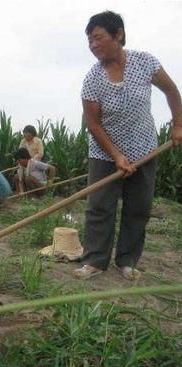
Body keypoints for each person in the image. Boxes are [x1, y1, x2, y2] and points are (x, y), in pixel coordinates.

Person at [73, 11, 182, 280]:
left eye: (98, 38)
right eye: (89, 41)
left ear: (118, 34)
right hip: (104, 152)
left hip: (145, 148)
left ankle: (128, 260)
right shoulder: (92, 79)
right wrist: (117, 156)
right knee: (100, 206)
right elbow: (94, 125)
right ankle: (95, 261)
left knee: (139, 207)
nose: (93, 45)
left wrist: (178, 125)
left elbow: (171, 91)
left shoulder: (146, 63)